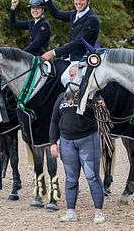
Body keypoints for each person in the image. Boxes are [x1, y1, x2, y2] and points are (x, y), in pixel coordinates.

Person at [49, 69, 106, 225]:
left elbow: (101, 105)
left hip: (88, 140)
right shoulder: (61, 97)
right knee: (71, 178)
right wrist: (53, 143)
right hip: (66, 142)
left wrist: (100, 103)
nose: (72, 77)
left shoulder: (91, 94)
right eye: (71, 75)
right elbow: (54, 121)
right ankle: (71, 211)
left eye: (75, 75)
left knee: (92, 176)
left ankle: (99, 212)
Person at [40, 0, 100, 86]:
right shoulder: (74, 14)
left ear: (88, 1)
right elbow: (56, 14)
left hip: (83, 59)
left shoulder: (92, 19)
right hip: (71, 58)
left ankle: (72, 101)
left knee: (65, 79)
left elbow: (77, 43)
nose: (78, 2)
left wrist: (54, 53)